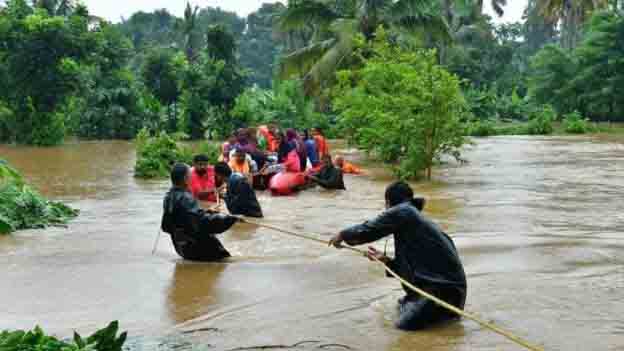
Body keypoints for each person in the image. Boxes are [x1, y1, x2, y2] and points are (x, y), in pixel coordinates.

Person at [329, 181, 467, 331]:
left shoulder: (404, 211)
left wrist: (342, 235)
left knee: (403, 329)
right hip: (452, 295)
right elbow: (416, 270)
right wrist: (386, 260)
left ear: (388, 202)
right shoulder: (415, 221)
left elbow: (369, 229)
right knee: (402, 305)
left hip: (442, 293)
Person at [161, 163, 239, 261]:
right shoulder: (186, 198)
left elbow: (167, 226)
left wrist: (207, 211)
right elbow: (203, 222)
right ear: (185, 178)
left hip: (183, 249)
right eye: (190, 176)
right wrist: (230, 219)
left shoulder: (168, 197)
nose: (192, 178)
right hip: (201, 249)